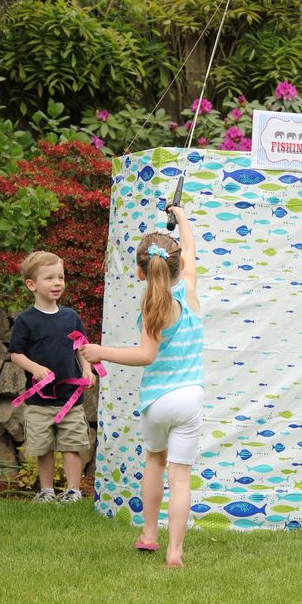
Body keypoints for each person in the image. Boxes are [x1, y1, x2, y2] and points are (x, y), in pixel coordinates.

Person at [81, 206, 203, 568]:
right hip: (190, 398)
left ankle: (150, 534)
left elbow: (146, 356)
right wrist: (181, 218)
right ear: (178, 266)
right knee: (180, 478)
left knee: (155, 460)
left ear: (140, 272)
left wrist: (101, 351)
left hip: (157, 400)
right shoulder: (190, 292)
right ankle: (175, 552)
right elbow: (192, 253)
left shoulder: (153, 306)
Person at [9, 251, 95, 503]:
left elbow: (82, 347)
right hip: (39, 401)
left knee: (71, 444)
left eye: (61, 277)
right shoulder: (26, 320)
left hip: (71, 400)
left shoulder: (71, 317)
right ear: (31, 285)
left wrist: (87, 370)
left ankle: (73, 491)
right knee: (43, 447)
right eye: (50, 278)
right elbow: (15, 354)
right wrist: (34, 368)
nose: (57, 283)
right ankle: (46, 491)